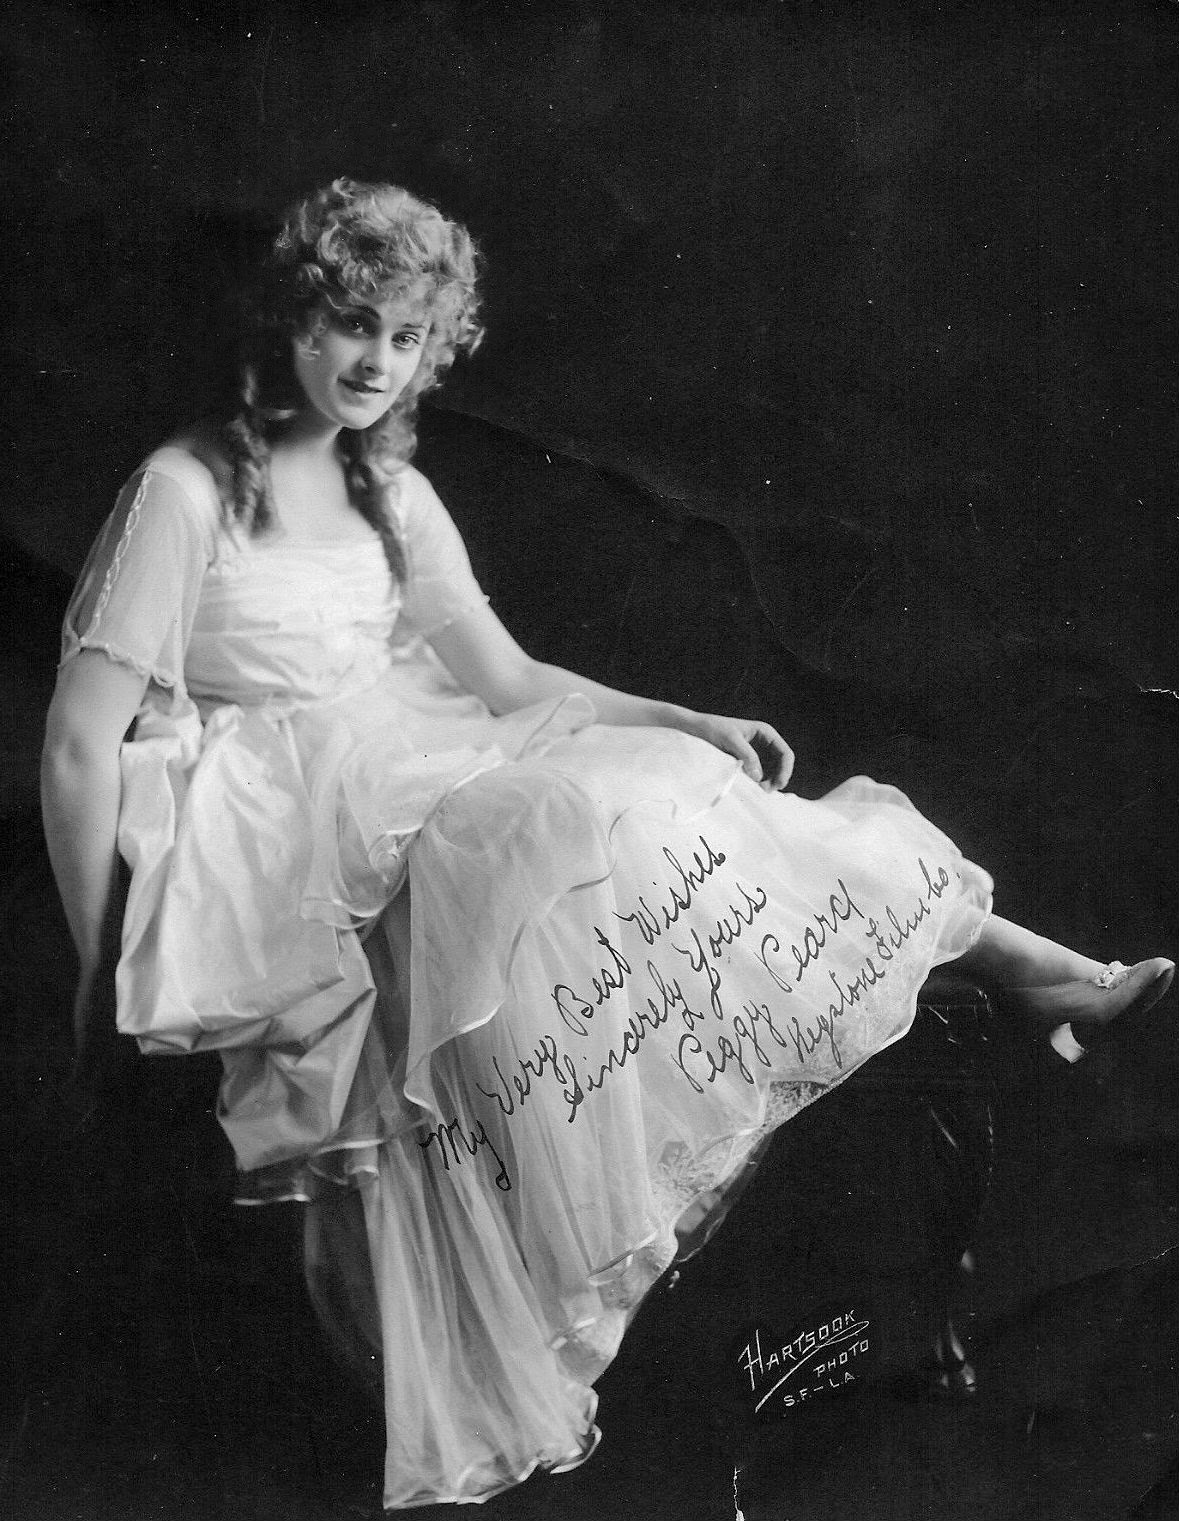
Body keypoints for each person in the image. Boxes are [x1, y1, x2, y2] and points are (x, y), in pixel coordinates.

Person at [41, 178, 1174, 1510]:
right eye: (352, 323)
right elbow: (79, 743)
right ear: (292, 315)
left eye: (408, 337)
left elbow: (510, 678)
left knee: (652, 794)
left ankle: (1019, 962)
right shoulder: (183, 491)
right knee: (554, 820)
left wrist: (681, 715)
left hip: (405, 764)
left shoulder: (392, 492)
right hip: (265, 819)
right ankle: (1028, 973)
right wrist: (97, 960)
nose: (376, 362)